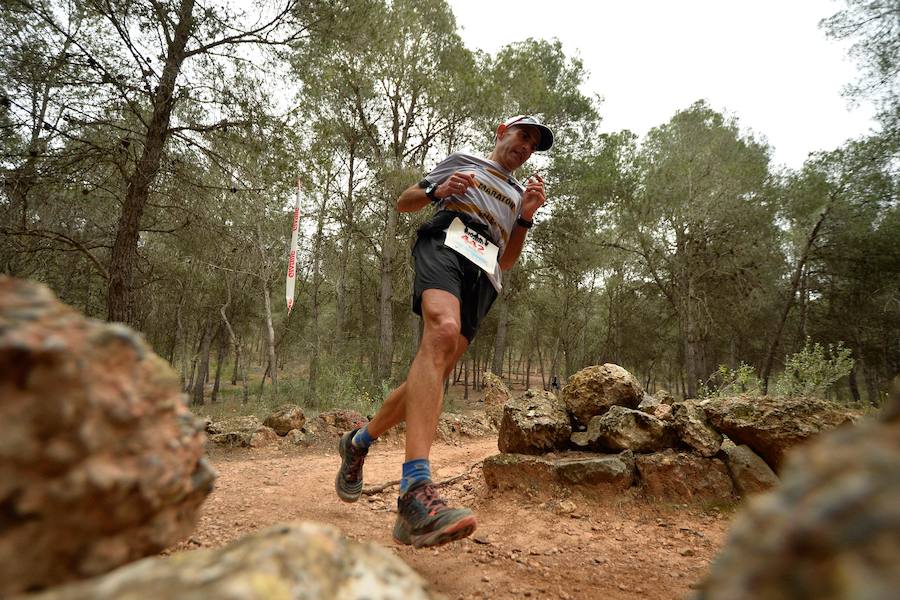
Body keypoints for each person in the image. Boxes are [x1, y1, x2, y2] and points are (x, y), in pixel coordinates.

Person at [335, 115, 554, 548]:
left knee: (433, 369)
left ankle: (359, 441)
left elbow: (507, 261)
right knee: (442, 330)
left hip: (484, 273)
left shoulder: (516, 194)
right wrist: (438, 189)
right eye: (523, 136)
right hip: (445, 243)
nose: (526, 147)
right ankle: (414, 491)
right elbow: (404, 201)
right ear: (502, 132)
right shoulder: (464, 161)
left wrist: (525, 217)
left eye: (533, 145)